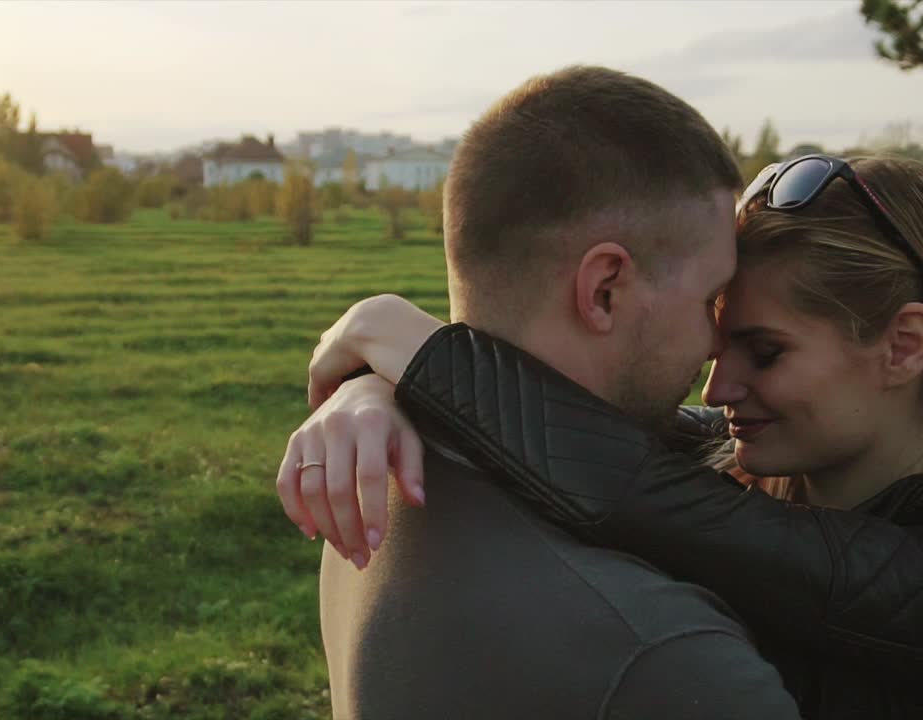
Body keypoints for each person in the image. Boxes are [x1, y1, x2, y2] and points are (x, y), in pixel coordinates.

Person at [279, 152, 923, 719]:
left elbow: (630, 487)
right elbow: (583, 431)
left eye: (765, 352)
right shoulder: (738, 461)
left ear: (902, 346)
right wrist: (376, 390)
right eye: (718, 347)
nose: (716, 389)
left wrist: (406, 344)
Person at [285, 65, 803, 719]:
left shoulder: (371, 479)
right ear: (605, 289)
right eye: (709, 299)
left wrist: (375, 384)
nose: (713, 343)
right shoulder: (663, 654)